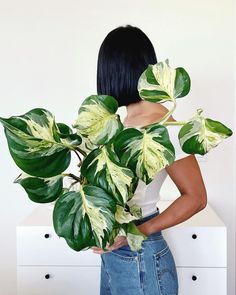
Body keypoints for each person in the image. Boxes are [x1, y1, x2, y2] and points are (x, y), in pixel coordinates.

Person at [91, 24, 208, 295]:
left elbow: (196, 197)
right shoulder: (122, 122)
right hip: (116, 255)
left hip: (140, 257)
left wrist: (137, 231)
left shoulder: (164, 125)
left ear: (113, 70)